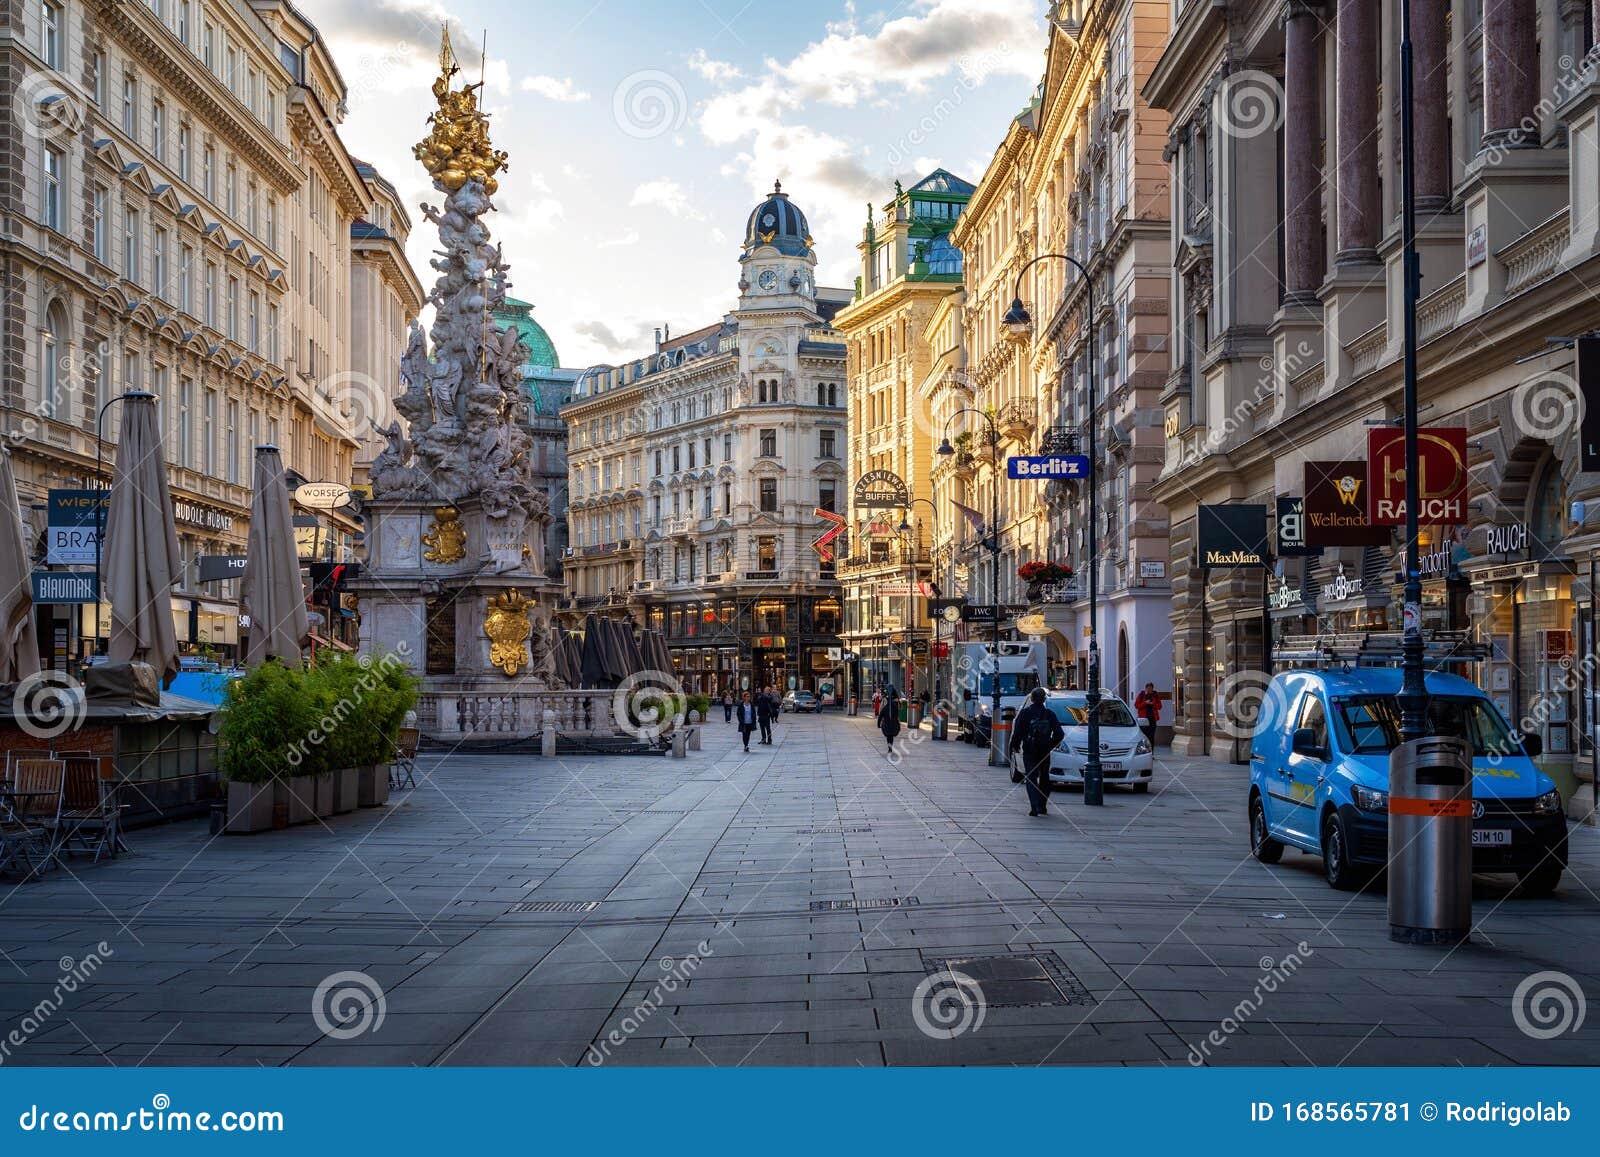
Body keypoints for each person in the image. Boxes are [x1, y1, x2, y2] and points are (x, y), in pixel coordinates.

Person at [1009, 686, 1065, 817]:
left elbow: (1017, 732)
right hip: (1044, 750)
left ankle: (1034, 806)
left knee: (1031, 777)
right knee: (1045, 777)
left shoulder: (1025, 713)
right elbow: (1059, 734)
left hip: (1029, 749)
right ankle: (1042, 805)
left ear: (1032, 699)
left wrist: (1015, 745)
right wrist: (1050, 744)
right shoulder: (1049, 714)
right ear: (1044, 699)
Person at [1134, 682, 1161, 747]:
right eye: (1148, 688)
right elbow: (1136, 705)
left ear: (1152, 689)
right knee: (1144, 736)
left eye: (1151, 688)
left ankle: (1152, 753)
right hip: (1144, 719)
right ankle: (1144, 750)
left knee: (1151, 736)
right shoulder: (1141, 695)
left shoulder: (1155, 695)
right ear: (1145, 688)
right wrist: (1145, 703)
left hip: (1153, 718)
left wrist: (1153, 704)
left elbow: (1159, 706)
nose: (1149, 690)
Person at [877, 685, 901, 756]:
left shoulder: (886, 701)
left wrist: (879, 723)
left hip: (887, 721)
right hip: (893, 721)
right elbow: (897, 715)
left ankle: (889, 747)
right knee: (891, 735)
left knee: (888, 735)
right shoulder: (895, 701)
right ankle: (890, 747)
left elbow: (881, 714)